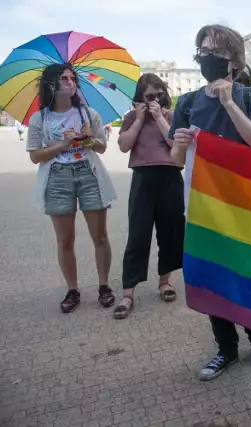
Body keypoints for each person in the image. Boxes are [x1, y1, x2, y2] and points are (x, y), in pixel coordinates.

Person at [169, 24, 251, 381]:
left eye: (215, 52)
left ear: (233, 59)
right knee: (214, 278)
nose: (207, 57)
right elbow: (173, 159)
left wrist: (229, 102)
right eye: (202, 51)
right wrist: (183, 143)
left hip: (246, 206)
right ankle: (225, 348)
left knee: (248, 274)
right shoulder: (186, 103)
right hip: (205, 208)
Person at [26, 63, 116, 313]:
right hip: (57, 178)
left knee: (100, 236)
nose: (69, 82)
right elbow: (36, 156)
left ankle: (104, 286)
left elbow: (101, 147)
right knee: (65, 240)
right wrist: (64, 144)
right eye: (63, 78)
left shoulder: (88, 113)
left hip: (89, 173)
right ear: (51, 84)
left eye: (72, 78)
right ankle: (73, 289)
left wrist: (89, 139)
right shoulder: (40, 118)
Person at [113, 74, 184, 319]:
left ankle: (165, 282)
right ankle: (128, 292)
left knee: (170, 231)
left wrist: (158, 116)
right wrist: (140, 118)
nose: (156, 100)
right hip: (143, 177)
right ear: (140, 97)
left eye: (159, 94)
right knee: (138, 234)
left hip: (170, 177)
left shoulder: (172, 117)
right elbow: (123, 145)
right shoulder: (132, 117)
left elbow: (175, 143)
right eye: (150, 96)